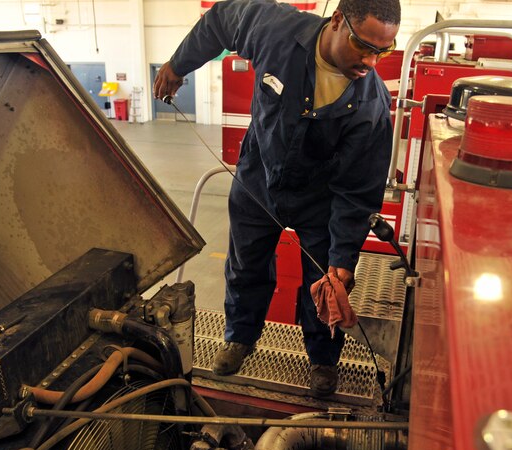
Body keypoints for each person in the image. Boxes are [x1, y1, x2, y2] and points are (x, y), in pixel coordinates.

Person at [154, 0, 399, 396]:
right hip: (257, 182)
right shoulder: (276, 30)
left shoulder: (370, 106)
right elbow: (219, 20)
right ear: (337, 21)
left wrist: (342, 260)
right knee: (246, 267)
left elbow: (357, 192)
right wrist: (178, 65)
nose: (371, 61)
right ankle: (240, 338)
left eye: (382, 51)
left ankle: (322, 359)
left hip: (319, 201)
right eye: (363, 46)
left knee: (325, 283)